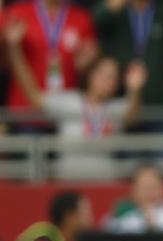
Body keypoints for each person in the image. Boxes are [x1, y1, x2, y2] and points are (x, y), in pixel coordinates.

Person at [5, 22, 146, 180]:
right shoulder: (70, 101)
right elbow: (34, 96)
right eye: (103, 74)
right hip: (68, 181)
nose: (107, 80)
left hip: (105, 183)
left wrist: (135, 90)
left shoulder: (115, 108)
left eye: (112, 77)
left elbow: (132, 113)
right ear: (91, 75)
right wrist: (15, 50)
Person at [2, 0, 96, 109]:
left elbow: (87, 68)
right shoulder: (16, 13)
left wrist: (88, 63)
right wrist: (10, 45)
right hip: (24, 108)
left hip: (67, 109)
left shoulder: (82, 18)